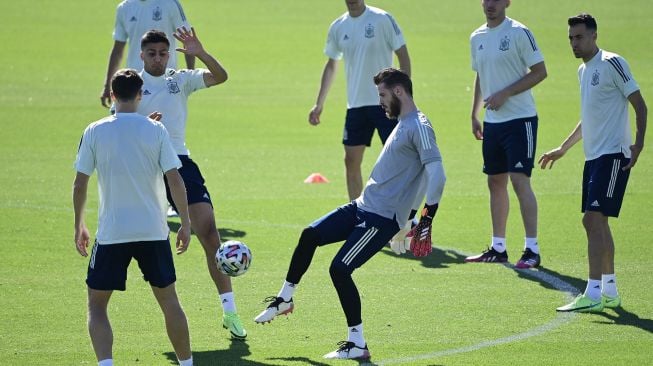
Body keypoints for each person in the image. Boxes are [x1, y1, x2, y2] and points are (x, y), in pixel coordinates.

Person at [255, 68, 446, 359]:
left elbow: (436, 175)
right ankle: (284, 298)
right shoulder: (403, 122)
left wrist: (422, 218)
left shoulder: (419, 126)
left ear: (398, 92)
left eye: (382, 95)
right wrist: (408, 218)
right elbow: (417, 176)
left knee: (340, 269)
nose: (379, 102)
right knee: (310, 235)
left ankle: (357, 343)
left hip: (379, 218)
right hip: (362, 205)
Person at [73, 69, 194, 366]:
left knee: (97, 305)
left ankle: (107, 364)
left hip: (113, 233)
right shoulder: (156, 130)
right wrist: (186, 224)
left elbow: (80, 183)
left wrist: (79, 224)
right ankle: (187, 363)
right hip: (153, 232)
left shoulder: (94, 131)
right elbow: (175, 179)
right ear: (140, 95)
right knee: (169, 301)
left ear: (113, 95)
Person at [135, 27, 248, 338]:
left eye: (162, 53)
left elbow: (221, 76)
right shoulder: (131, 83)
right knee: (150, 245)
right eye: (151, 54)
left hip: (181, 163)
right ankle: (167, 315)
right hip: (145, 168)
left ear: (169, 53)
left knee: (210, 233)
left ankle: (230, 312)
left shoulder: (179, 79)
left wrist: (200, 52)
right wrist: (146, 128)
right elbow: (117, 123)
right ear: (142, 54)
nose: (158, 59)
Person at [539, 13, 647, 313]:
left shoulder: (613, 63)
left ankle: (593, 292)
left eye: (579, 37)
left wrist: (638, 144)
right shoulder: (582, 71)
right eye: (571, 38)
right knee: (599, 223)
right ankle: (609, 291)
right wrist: (563, 148)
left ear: (594, 36)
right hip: (594, 157)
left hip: (613, 155)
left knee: (591, 220)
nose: (574, 43)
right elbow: (589, 117)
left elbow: (639, 103)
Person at [465, 0, 547, 268]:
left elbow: (540, 72)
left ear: (507, 2)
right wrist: (475, 114)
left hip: (520, 120)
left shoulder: (519, 33)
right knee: (495, 182)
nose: (490, 4)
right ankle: (498, 248)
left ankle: (532, 249)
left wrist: (506, 93)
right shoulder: (476, 36)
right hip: (492, 123)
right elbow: (481, 75)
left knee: (519, 180)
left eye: (497, 0)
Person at [308, 0, 411, 200]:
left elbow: (403, 55)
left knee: (398, 161)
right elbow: (331, 64)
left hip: (386, 104)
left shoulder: (382, 19)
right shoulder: (338, 26)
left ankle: (406, 217)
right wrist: (319, 103)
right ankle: (357, 213)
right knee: (351, 161)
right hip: (356, 105)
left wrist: (403, 96)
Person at [100, 0, 195, 108]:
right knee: (132, 123)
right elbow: (118, 49)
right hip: (133, 84)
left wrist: (189, 77)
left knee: (165, 123)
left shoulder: (170, 4)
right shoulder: (124, 7)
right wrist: (107, 85)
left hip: (164, 83)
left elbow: (187, 40)